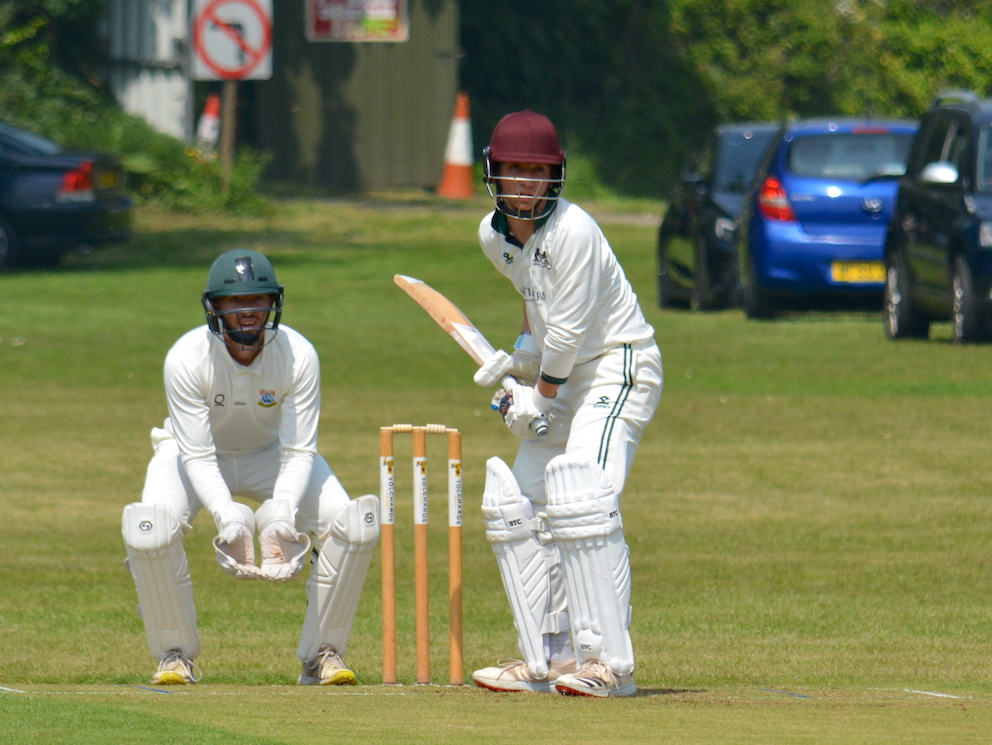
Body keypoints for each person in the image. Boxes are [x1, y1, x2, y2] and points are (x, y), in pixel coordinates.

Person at [470, 111, 663, 698]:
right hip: (564, 372)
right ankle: (549, 659)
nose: (523, 182)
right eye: (512, 170)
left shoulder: (574, 230)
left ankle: (609, 666)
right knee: (520, 506)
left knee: (582, 497)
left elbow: (572, 335)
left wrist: (536, 396)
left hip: (615, 366)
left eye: (536, 170)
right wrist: (520, 359)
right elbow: (537, 307)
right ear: (494, 173)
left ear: (553, 176)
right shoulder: (493, 236)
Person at [122, 249, 379, 686]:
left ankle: (322, 655)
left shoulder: (299, 354)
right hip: (192, 455)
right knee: (149, 530)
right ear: (215, 307)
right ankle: (174, 656)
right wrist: (227, 516)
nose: (248, 312)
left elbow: (300, 450)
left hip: (272, 455)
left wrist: (281, 513)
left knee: (353, 525)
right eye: (235, 303)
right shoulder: (186, 358)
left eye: (257, 300)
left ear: (273, 302)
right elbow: (198, 454)